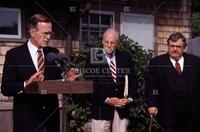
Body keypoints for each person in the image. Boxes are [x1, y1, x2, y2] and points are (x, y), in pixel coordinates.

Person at [1, 14, 76, 132]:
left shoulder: (53, 53)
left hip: (51, 121)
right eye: (45, 33)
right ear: (32, 32)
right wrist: (27, 84)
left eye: (50, 33)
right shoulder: (14, 55)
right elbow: (6, 88)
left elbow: (54, 82)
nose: (48, 37)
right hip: (27, 121)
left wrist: (66, 81)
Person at [84, 28, 138, 132]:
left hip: (121, 107)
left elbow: (133, 80)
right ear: (102, 41)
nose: (109, 45)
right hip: (101, 108)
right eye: (106, 42)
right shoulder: (94, 56)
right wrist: (107, 100)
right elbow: (91, 84)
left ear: (117, 43)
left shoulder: (125, 57)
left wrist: (130, 99)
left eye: (112, 43)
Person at [145, 32, 200, 132]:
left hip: (192, 115)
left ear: (184, 47)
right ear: (168, 46)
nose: (175, 49)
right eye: (172, 46)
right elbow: (152, 87)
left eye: (178, 46)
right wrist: (152, 103)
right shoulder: (157, 62)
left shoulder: (195, 61)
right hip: (167, 114)